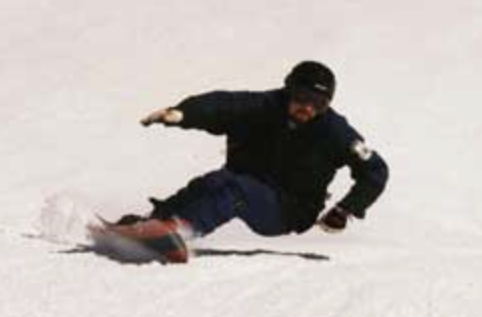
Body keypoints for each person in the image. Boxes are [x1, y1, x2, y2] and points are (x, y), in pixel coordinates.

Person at [96, 61, 389, 263]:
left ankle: (177, 231)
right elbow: (223, 105)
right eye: (301, 97)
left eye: (319, 103)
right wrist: (182, 113)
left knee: (235, 191)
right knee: (214, 182)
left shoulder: (334, 131)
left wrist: (347, 208)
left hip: (289, 209)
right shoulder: (264, 106)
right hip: (246, 183)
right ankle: (152, 225)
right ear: (288, 90)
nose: (308, 108)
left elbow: (375, 170)